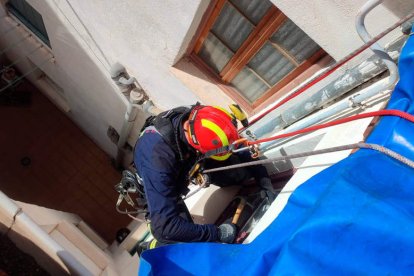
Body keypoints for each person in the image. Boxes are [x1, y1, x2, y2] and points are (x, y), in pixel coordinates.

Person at [133, 103, 275, 248]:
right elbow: (166, 227)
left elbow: (238, 146)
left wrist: (264, 181)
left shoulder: (203, 118)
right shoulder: (158, 163)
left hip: (186, 159)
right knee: (180, 243)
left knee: (240, 174)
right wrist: (217, 233)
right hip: (158, 182)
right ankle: (149, 247)